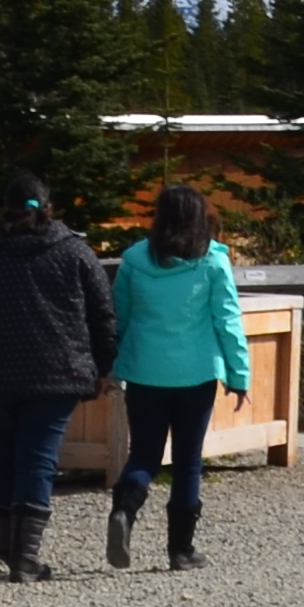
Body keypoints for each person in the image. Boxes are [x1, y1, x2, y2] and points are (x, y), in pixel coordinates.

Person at [0, 174, 113, 584]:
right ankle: (25, 556)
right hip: (58, 375)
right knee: (39, 459)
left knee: (6, 456)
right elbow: (103, 315)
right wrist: (103, 367)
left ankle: (9, 541)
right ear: (49, 208)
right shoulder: (75, 253)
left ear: (5, 209)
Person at [104, 179, 249, 571]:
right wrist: (239, 374)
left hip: (145, 372)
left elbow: (118, 318)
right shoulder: (213, 260)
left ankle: (124, 510)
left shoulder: (134, 261)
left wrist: (110, 367)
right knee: (187, 462)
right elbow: (228, 320)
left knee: (145, 454)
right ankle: (180, 550)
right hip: (196, 374)